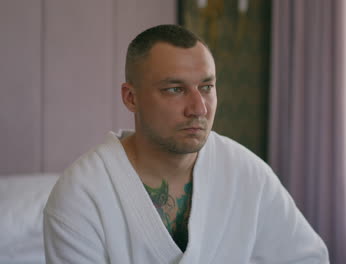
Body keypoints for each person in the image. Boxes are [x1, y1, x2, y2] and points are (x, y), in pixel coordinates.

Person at [43, 24, 329, 264]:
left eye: (206, 87)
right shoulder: (81, 196)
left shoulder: (246, 172)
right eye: (175, 90)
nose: (198, 108)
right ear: (131, 97)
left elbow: (307, 258)